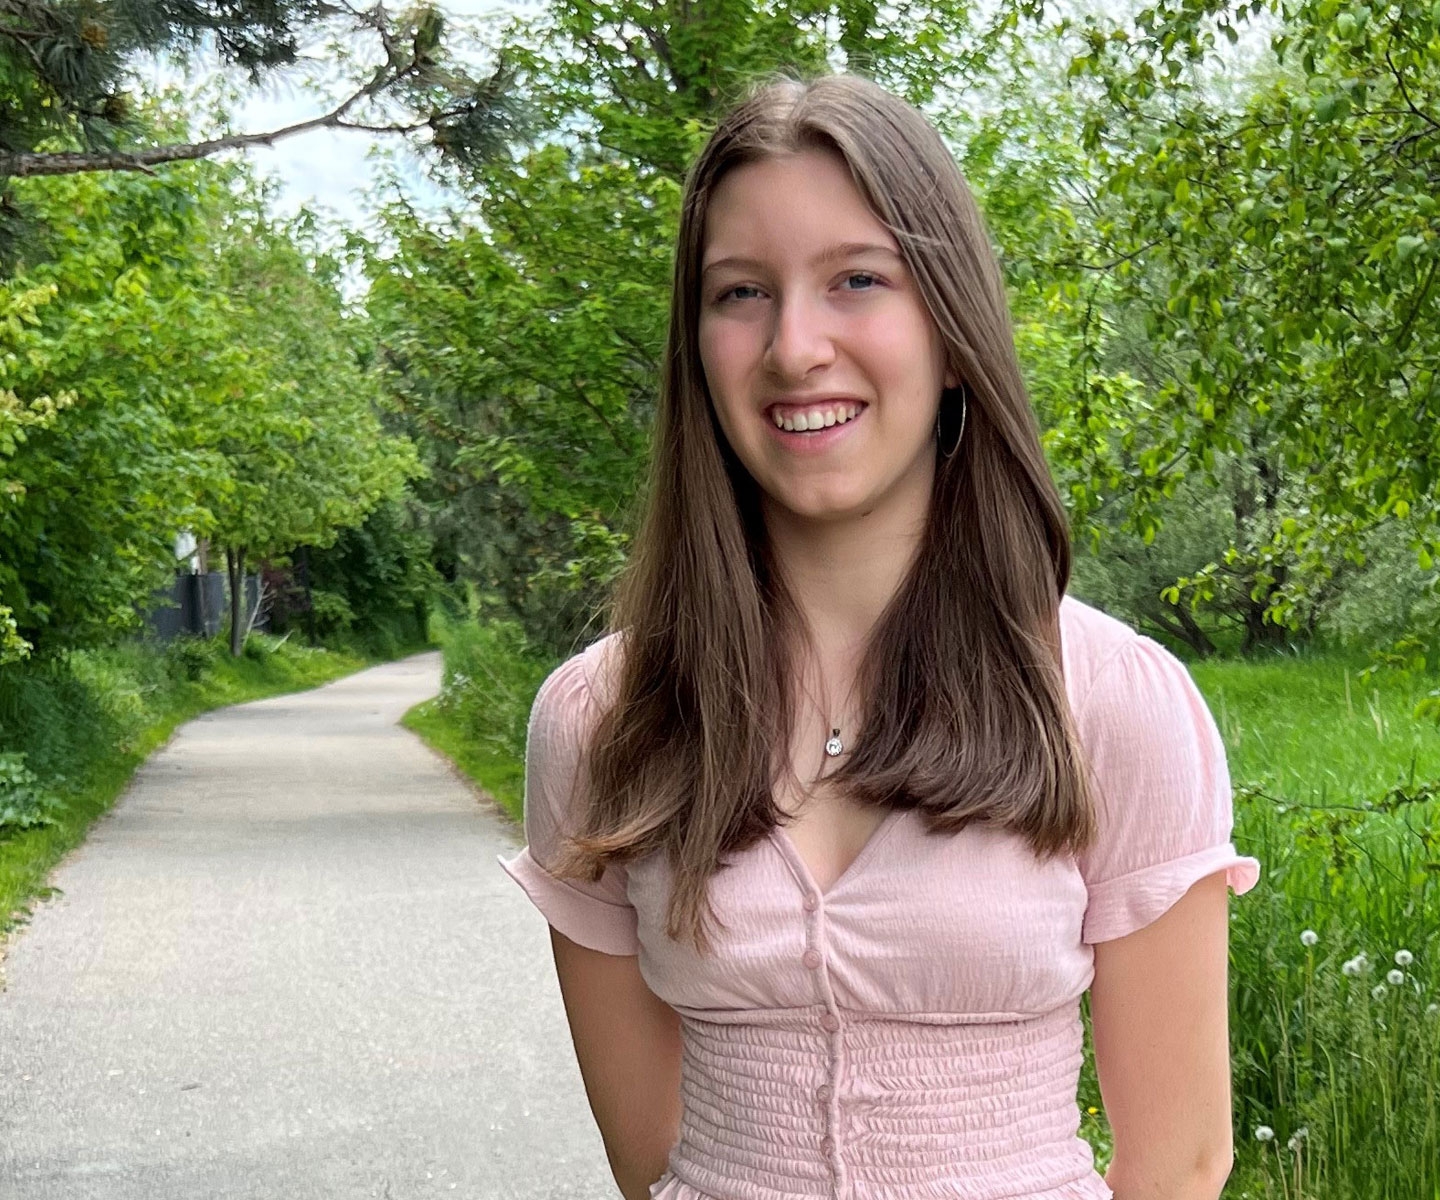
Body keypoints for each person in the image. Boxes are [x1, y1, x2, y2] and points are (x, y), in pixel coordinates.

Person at [498, 70, 1259, 1200]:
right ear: (695, 350)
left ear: (950, 328)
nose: (795, 346)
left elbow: (1180, 1161)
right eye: (740, 292)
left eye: (857, 279)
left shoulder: (1113, 704)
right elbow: (645, 1159)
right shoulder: (602, 720)